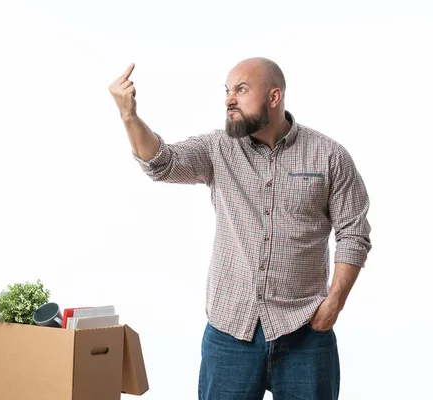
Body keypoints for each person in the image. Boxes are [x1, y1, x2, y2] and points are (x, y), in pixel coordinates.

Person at [108, 57, 372, 400]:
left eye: (242, 90)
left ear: (274, 97)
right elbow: (161, 163)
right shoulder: (218, 149)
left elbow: (353, 232)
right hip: (230, 332)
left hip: (305, 333)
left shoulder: (329, 156)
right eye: (228, 91)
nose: (229, 99)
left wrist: (333, 304)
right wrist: (129, 116)